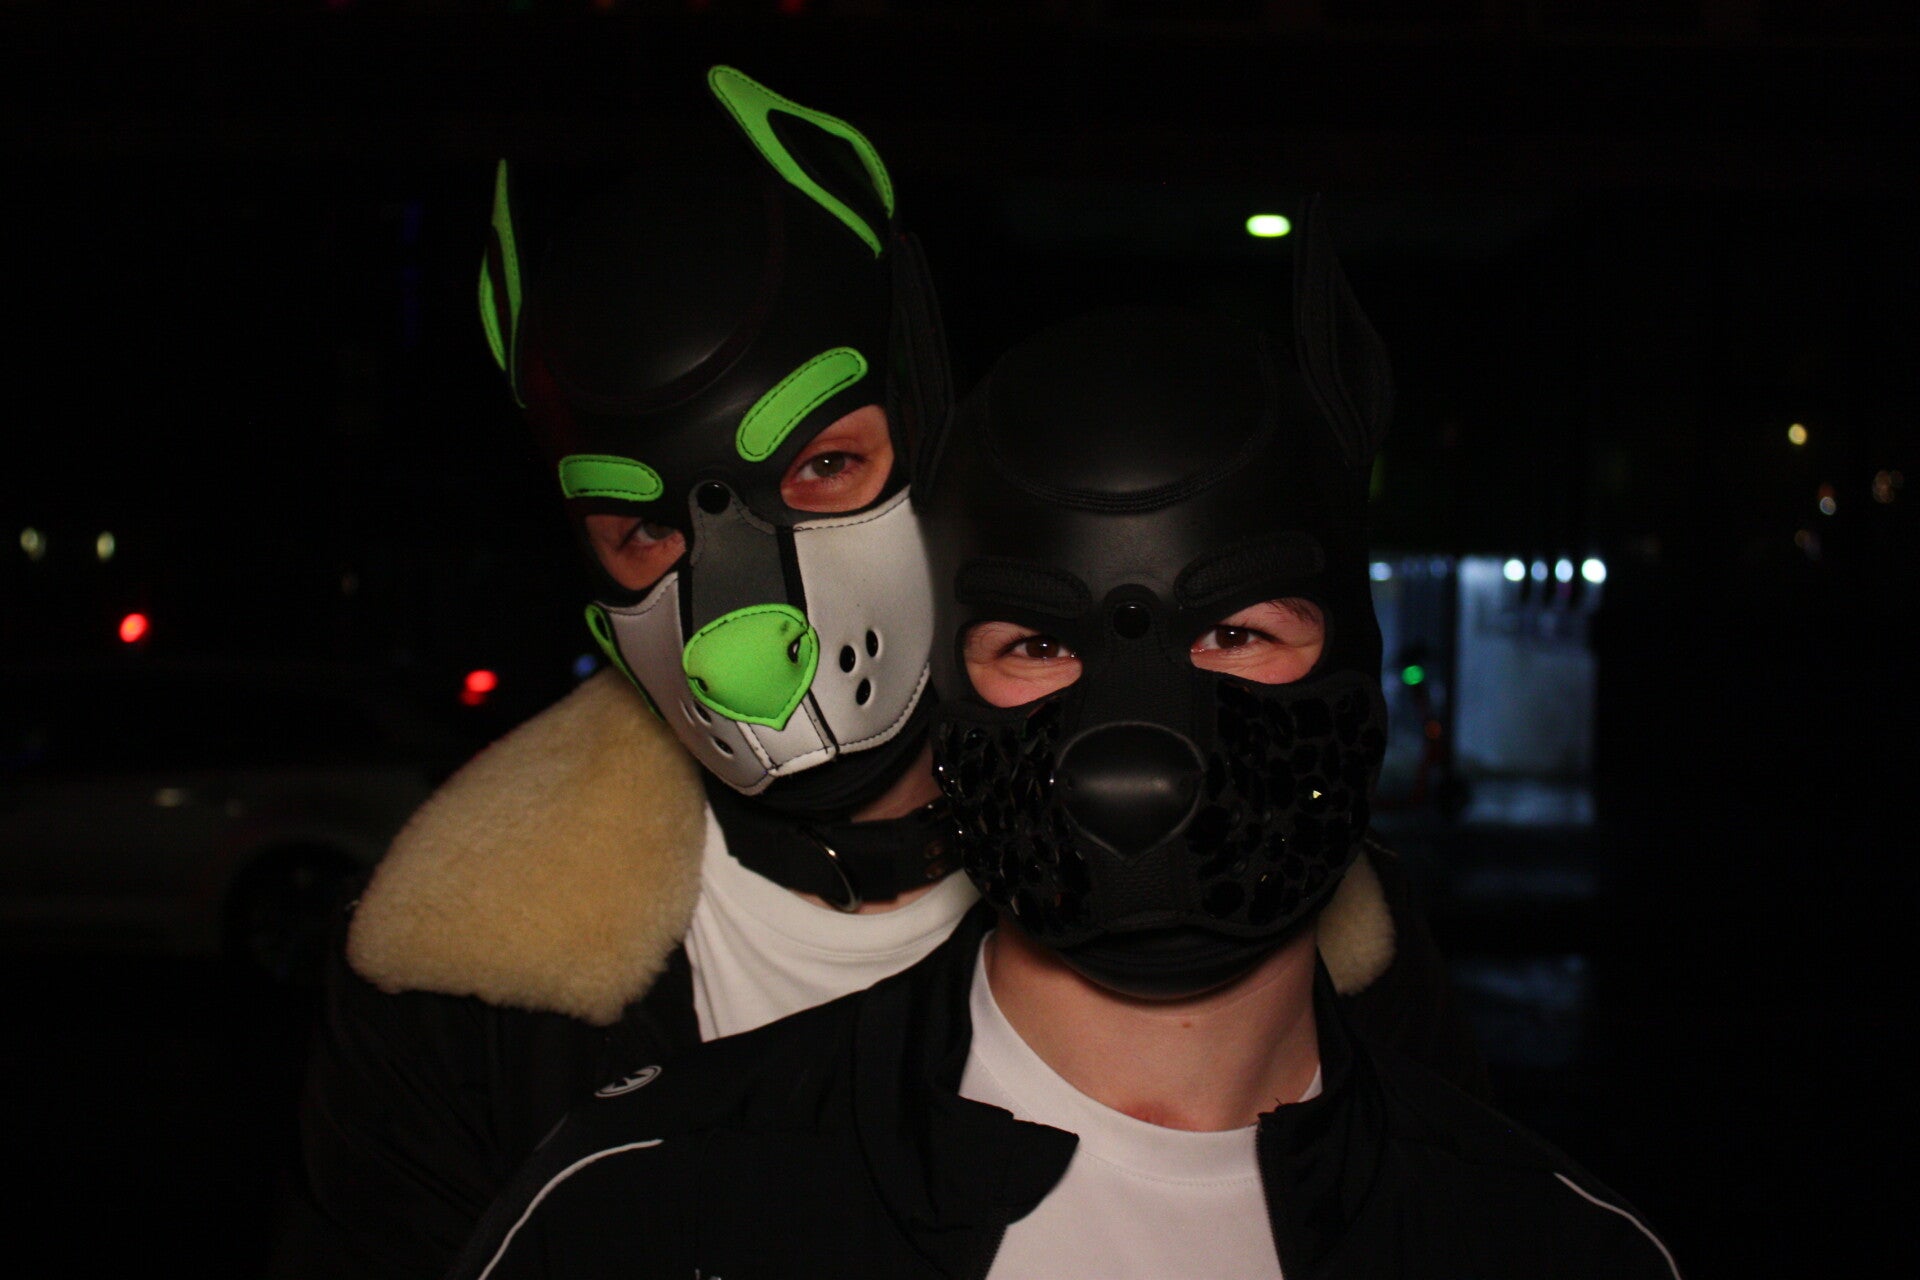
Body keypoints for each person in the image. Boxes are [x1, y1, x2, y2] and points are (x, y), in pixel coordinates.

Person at [279, 69, 1481, 1279]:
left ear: (938, 443)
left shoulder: (1301, 917)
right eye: (643, 529)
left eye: (823, 464)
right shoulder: (455, 981)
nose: (742, 628)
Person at [444, 215, 1678, 1280]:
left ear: (1354, 671)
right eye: (1039, 644)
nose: (1138, 754)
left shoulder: (1551, 1244)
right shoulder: (649, 1206)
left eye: (1235, 631)